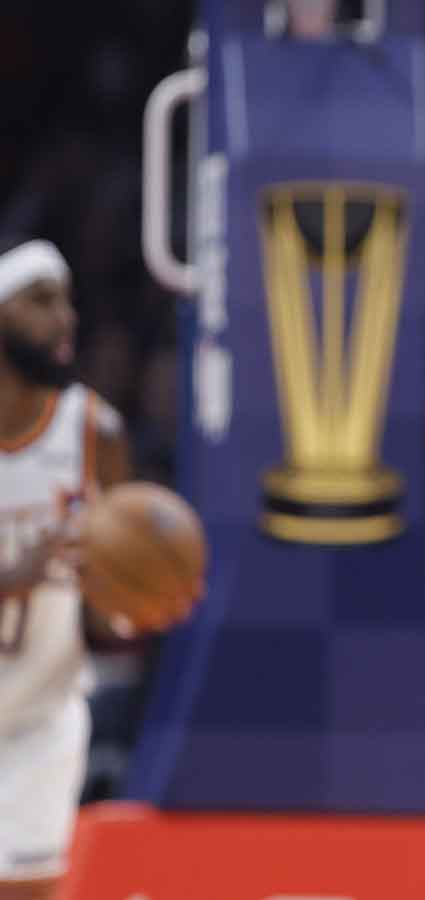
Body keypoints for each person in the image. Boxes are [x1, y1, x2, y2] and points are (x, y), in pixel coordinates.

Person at [0, 240, 195, 900]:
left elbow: (104, 592)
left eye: (68, 301)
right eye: (41, 302)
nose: (65, 318)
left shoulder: (95, 432)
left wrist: (135, 606)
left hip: (39, 712)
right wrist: (11, 576)